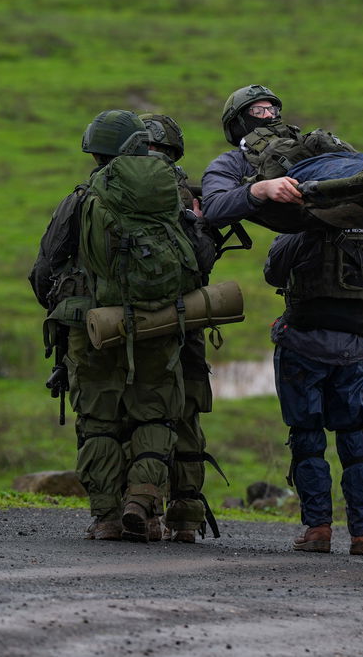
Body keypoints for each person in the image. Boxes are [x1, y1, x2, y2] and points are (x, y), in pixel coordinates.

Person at [29, 110, 197, 542]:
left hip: (94, 327)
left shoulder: (83, 197)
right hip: (158, 323)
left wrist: (66, 306)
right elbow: (199, 258)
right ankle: (142, 498)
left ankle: (105, 517)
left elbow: (44, 269)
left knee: (99, 420)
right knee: (156, 415)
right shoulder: (169, 194)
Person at [263, 225, 363, 556]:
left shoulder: (305, 218)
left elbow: (273, 272)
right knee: (356, 437)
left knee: (307, 436)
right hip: (351, 351)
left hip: (299, 345)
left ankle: (318, 529)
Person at [140, 112, 223, 543]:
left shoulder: (104, 193)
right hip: (184, 323)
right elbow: (203, 260)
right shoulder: (185, 196)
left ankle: (139, 508)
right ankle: (186, 518)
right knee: (187, 411)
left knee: (136, 414)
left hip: (128, 326)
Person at [199, 84, 309, 233]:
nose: (269, 115)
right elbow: (213, 209)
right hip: (299, 235)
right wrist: (261, 189)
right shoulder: (232, 163)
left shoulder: (302, 147)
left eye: (273, 110)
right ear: (238, 123)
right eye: (258, 111)